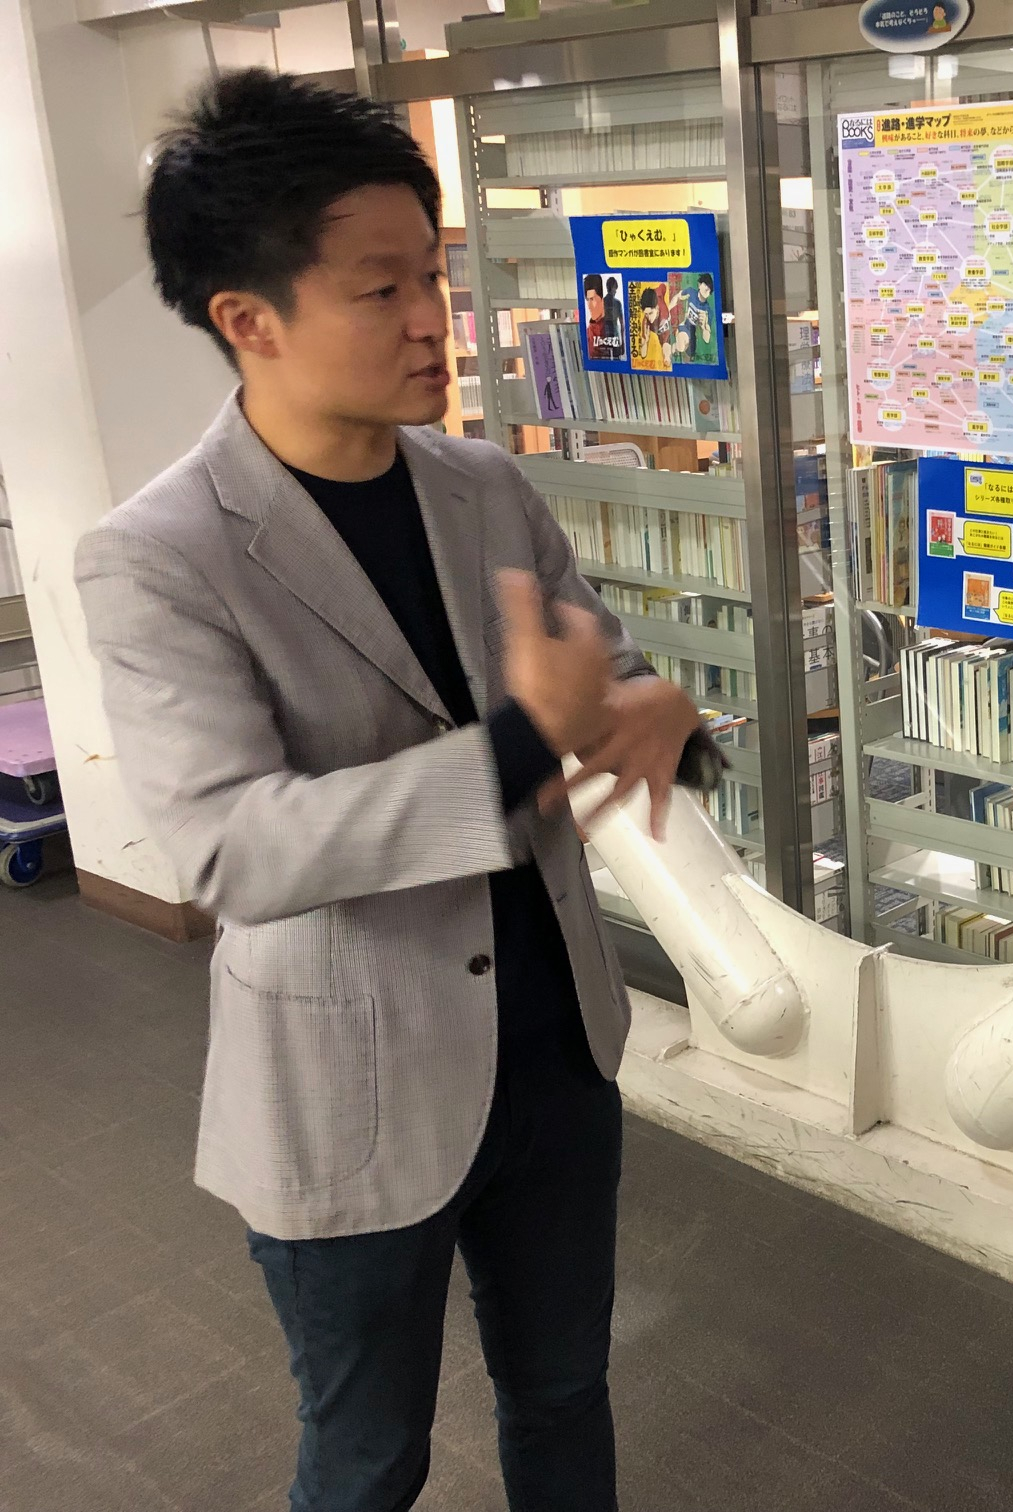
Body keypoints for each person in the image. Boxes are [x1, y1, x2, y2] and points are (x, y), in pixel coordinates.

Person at [75, 71, 703, 1512]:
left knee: (565, 1393)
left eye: (434, 276)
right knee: (367, 1457)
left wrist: (661, 709)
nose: (435, 320)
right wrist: (521, 745)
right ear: (250, 318)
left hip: (556, 1049)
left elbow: (597, 676)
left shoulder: (484, 485)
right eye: (383, 289)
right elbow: (234, 848)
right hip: (347, 1085)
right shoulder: (160, 556)